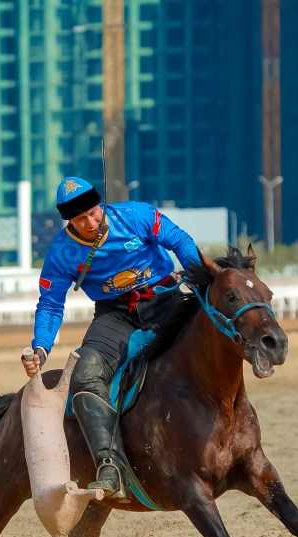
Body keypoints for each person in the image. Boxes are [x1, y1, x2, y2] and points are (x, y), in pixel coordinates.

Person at [24, 177, 207, 500]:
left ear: (101, 204)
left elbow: (179, 241)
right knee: (85, 375)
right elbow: (51, 304)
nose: (91, 223)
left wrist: (199, 278)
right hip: (115, 314)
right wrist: (41, 345)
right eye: (81, 219)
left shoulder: (135, 215)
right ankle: (109, 465)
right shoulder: (61, 253)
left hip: (166, 298)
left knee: (209, 343)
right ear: (69, 221)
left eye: (94, 213)